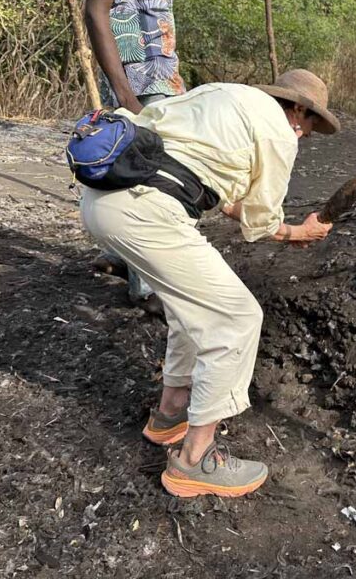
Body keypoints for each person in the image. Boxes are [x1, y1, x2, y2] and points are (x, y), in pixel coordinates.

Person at [80, 69, 340, 497]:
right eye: (312, 124)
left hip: (103, 200)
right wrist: (299, 232)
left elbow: (215, 194)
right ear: (298, 109)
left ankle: (169, 415)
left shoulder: (221, 97)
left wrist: (283, 227)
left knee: (193, 307)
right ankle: (194, 460)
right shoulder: (279, 130)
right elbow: (262, 221)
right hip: (146, 213)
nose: (308, 134)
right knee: (237, 318)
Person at [83, 0, 197, 305]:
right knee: (154, 177)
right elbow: (96, 9)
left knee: (156, 171)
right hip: (135, 72)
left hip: (160, 68)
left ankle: (129, 259)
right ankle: (149, 288)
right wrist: (124, 92)